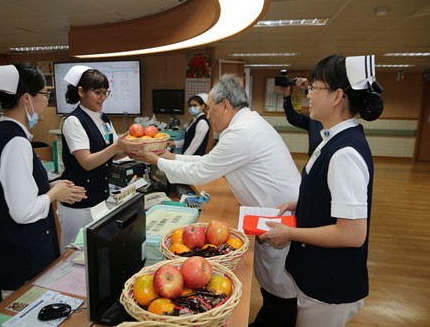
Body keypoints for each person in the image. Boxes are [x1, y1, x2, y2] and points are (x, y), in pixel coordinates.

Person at [132, 74, 302, 327]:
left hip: (280, 215)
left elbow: (201, 172)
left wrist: (157, 160)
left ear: (225, 105)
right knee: (273, 283)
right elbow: (209, 162)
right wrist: (170, 158)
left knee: (282, 288)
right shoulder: (246, 125)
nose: (207, 115)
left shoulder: (242, 133)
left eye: (210, 108)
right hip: (271, 211)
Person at [262, 54, 384, 327]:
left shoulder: (345, 152)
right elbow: (329, 193)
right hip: (320, 279)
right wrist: (301, 204)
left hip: (330, 285)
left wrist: (289, 233)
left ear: (337, 96)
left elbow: (352, 234)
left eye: (314, 88)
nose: (309, 95)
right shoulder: (334, 138)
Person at [0, 63, 87, 297]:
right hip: (20, 257)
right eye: (45, 94)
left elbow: (14, 190)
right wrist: (53, 195)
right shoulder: (15, 141)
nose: (46, 101)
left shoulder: (1, 133)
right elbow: (22, 211)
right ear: (26, 99)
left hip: (14, 251)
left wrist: (51, 186)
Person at [57, 65, 143, 250]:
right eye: (97, 92)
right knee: (73, 253)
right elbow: (87, 162)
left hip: (99, 197)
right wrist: (117, 146)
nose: (102, 98)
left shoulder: (103, 118)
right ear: (81, 91)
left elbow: (113, 152)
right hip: (79, 203)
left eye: (105, 92)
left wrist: (130, 149)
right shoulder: (74, 121)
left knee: (94, 251)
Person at [282, 78, 323, 156]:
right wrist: (286, 93)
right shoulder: (314, 120)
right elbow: (293, 117)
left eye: (317, 89)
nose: (308, 96)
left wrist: (309, 87)